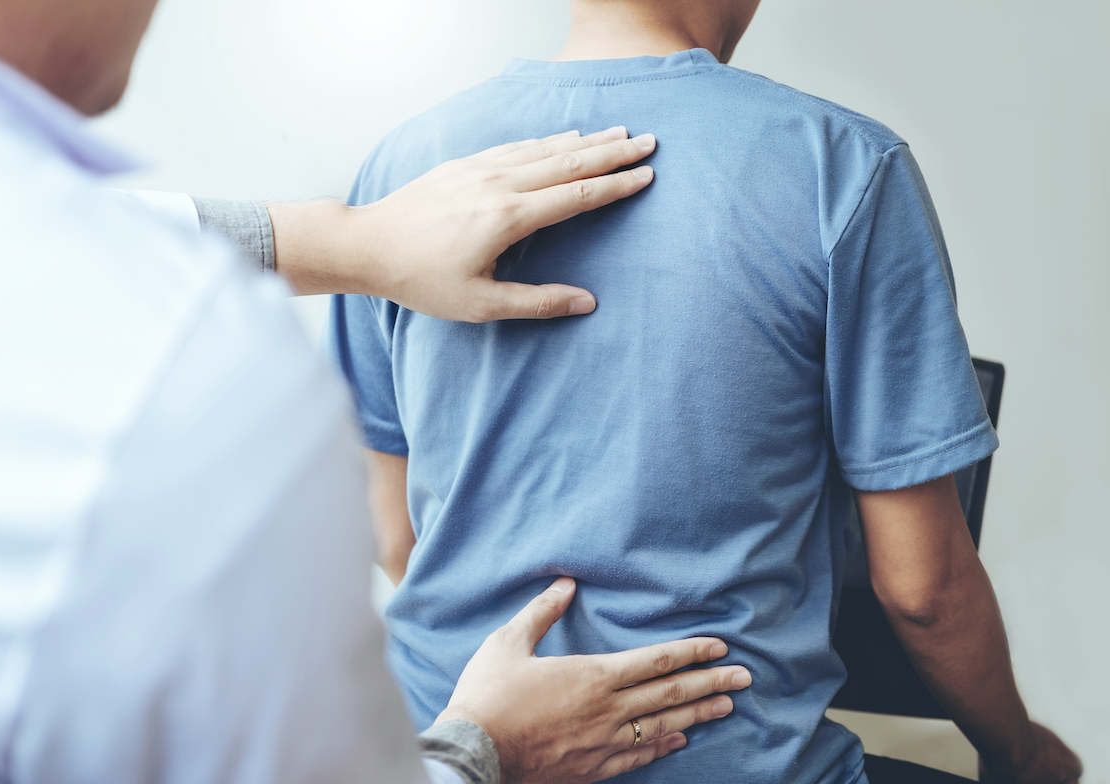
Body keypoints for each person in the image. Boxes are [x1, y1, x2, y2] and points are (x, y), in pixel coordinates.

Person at [0, 0, 758, 782]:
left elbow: (392, 532)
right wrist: (485, 751)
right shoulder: (182, 363)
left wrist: (344, 237)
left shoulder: (406, 158)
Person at [328, 0, 1083, 783]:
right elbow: (924, 588)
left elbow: (393, 536)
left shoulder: (402, 167)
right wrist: (1020, 752)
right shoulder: (842, 165)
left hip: (430, 745)